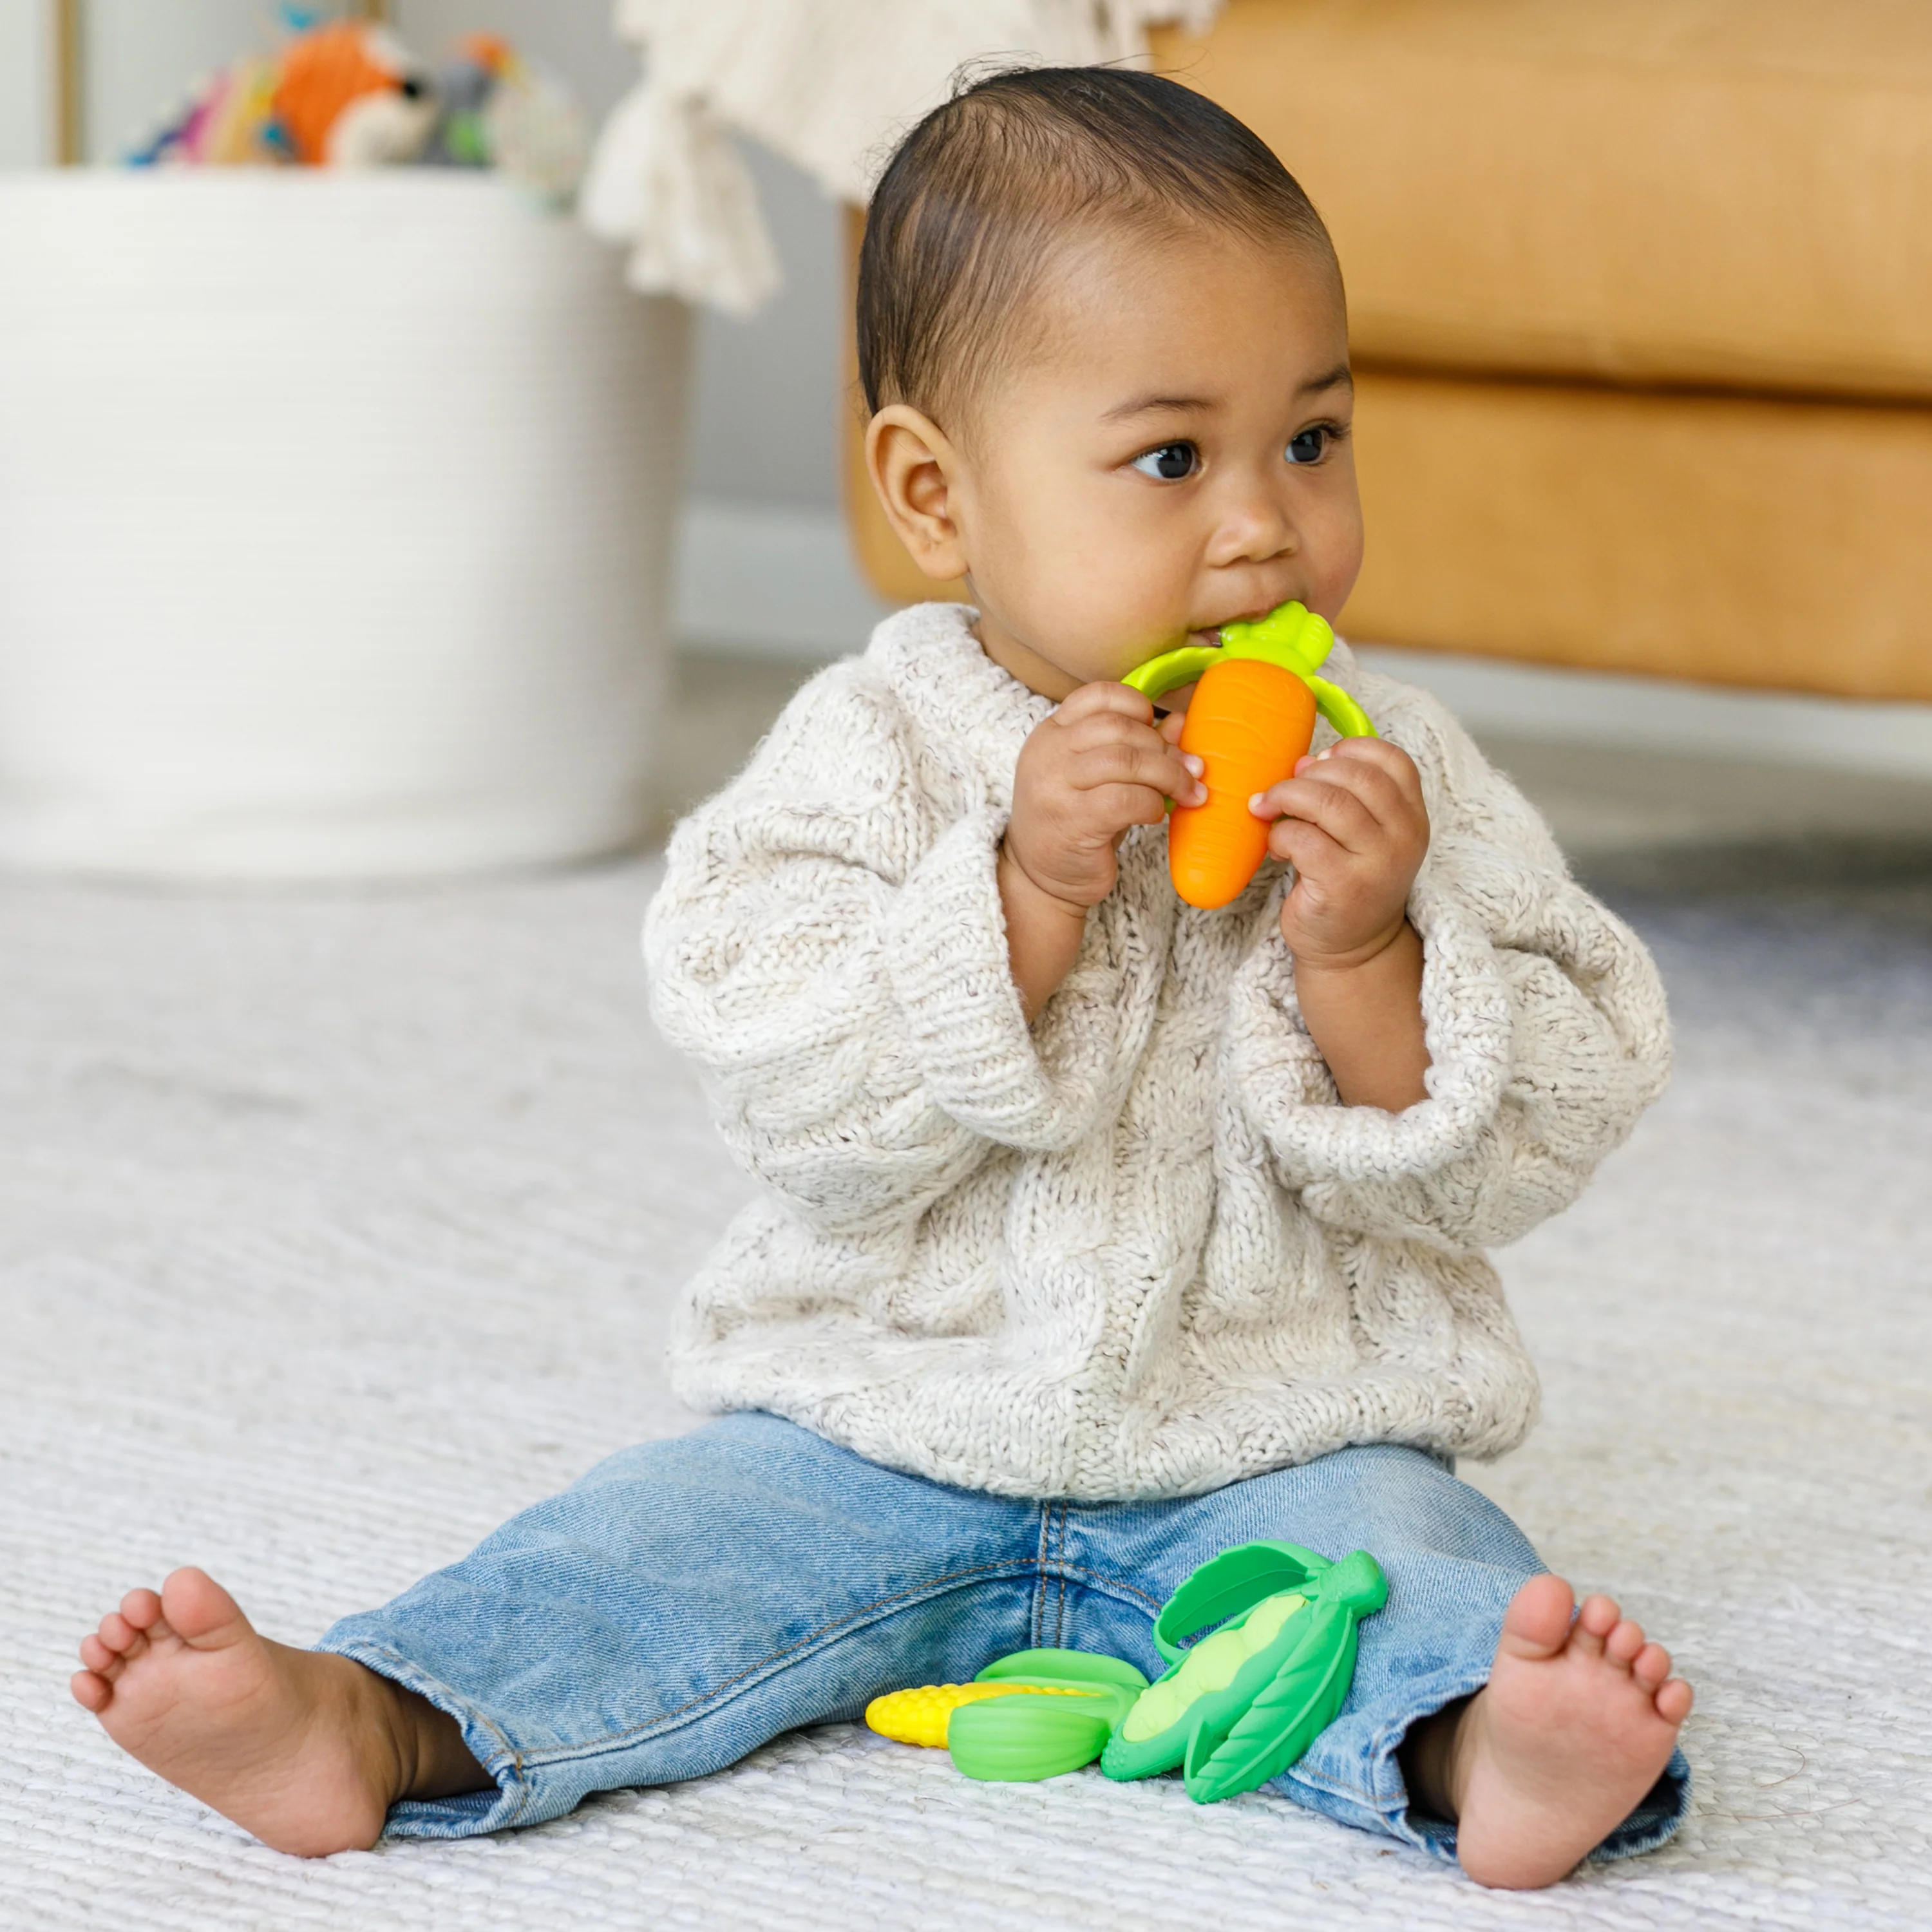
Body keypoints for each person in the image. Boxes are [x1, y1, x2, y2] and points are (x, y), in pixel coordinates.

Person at [70, 66, 1691, 1889]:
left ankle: (1480, 1746)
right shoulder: (867, 755)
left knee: (1408, 1562)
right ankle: (383, 1717)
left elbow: (1544, 1115)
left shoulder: (1392, 773)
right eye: (1174, 459)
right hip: (884, 1424)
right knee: (656, 1543)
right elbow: (785, 1075)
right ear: (936, 493)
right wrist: (1020, 891)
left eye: (1311, 440)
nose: (1262, 524)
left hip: (1275, 1436)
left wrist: (1372, 950)